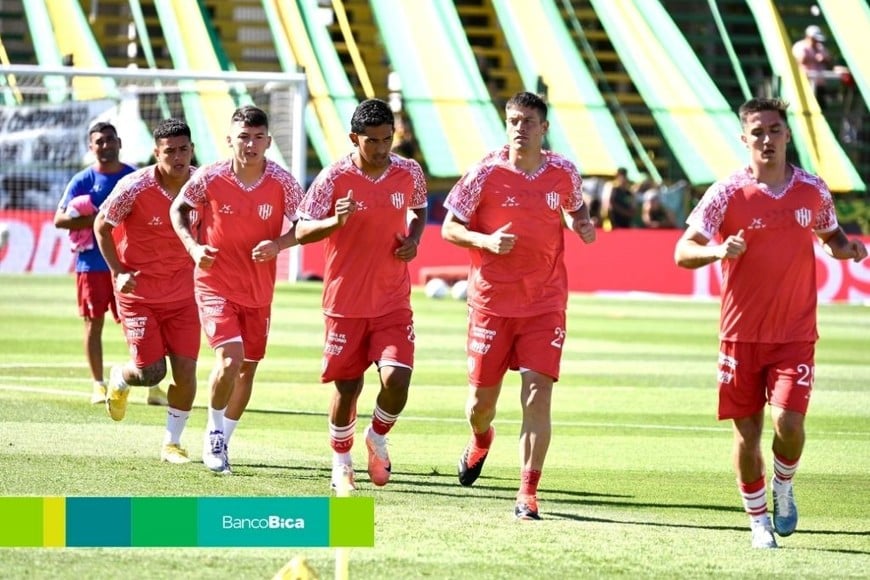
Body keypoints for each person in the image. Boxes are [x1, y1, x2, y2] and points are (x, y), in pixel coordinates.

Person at [674, 98, 867, 549]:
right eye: (757, 132)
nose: (767, 139)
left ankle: (783, 484)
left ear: (787, 135)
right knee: (747, 434)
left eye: (774, 130)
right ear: (744, 139)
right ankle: (758, 520)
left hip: (794, 334)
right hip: (740, 335)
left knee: (789, 424)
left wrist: (847, 249)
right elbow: (683, 251)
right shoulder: (726, 192)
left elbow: (830, 235)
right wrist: (717, 251)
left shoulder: (812, 189)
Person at [441, 91, 596, 519]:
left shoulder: (563, 171)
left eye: (528, 121)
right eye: (513, 120)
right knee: (480, 406)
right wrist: (485, 241)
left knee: (537, 394)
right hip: (492, 303)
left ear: (544, 128)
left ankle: (527, 493)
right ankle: (481, 439)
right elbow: (450, 228)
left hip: (545, 303)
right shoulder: (484, 173)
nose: (519, 128)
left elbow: (575, 208)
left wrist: (581, 223)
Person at [295, 98, 428, 490]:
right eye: (373, 141)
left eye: (387, 139)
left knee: (397, 379)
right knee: (348, 388)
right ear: (354, 138)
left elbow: (419, 208)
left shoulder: (408, 171)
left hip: (392, 300)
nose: (382, 148)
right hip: (345, 303)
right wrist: (335, 221)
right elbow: (301, 230)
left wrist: (414, 239)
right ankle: (341, 463)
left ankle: (377, 436)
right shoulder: (333, 177)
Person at [170, 105, 304, 474]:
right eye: (243, 137)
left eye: (258, 137)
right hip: (215, 284)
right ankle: (213, 434)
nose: (250, 144)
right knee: (230, 358)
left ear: (269, 142)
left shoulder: (283, 182)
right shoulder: (209, 176)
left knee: (247, 369)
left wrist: (279, 244)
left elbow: (305, 225)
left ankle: (224, 440)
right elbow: (178, 210)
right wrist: (193, 248)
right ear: (230, 139)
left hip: (258, 291)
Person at [93, 118, 199, 464]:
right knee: (152, 372)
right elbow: (101, 226)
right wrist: (118, 271)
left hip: (185, 295)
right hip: (138, 294)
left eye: (183, 149)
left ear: (192, 149)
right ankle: (121, 377)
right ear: (157, 153)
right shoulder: (134, 186)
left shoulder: (204, 185)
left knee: (186, 371)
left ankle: (172, 443)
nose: (178, 157)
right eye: (170, 151)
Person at [54, 122, 168, 407]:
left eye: (109, 140)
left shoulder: (134, 177)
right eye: (99, 141)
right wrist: (99, 219)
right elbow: (60, 219)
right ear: (91, 147)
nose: (105, 145)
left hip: (129, 264)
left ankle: (152, 385)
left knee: (140, 324)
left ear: (119, 143)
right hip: (91, 265)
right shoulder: (83, 180)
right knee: (93, 323)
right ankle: (98, 384)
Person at [792, 25, 831, 106]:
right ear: (809, 37)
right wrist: (810, 57)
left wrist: (823, 59)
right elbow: (798, 62)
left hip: (820, 84)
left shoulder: (820, 47)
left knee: (821, 106)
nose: (817, 41)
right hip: (805, 83)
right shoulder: (799, 46)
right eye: (814, 39)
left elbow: (829, 62)